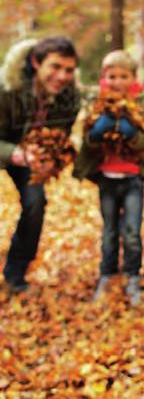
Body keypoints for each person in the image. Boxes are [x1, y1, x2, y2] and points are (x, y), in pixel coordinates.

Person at [73, 50, 144, 305]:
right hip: (107, 180)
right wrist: (96, 133)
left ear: (133, 78)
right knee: (110, 231)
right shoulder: (96, 103)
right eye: (112, 76)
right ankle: (107, 275)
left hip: (133, 179)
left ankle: (132, 277)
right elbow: (88, 142)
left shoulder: (141, 104)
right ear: (104, 77)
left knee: (132, 232)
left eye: (123, 76)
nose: (117, 81)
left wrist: (131, 134)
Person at [0, 37, 80, 293]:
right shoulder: (6, 90)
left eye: (68, 70)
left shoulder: (70, 98)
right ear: (36, 62)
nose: (62, 76)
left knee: (35, 203)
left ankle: (15, 276)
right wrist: (16, 154)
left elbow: (58, 138)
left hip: (29, 155)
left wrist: (49, 162)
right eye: (55, 67)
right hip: (8, 146)